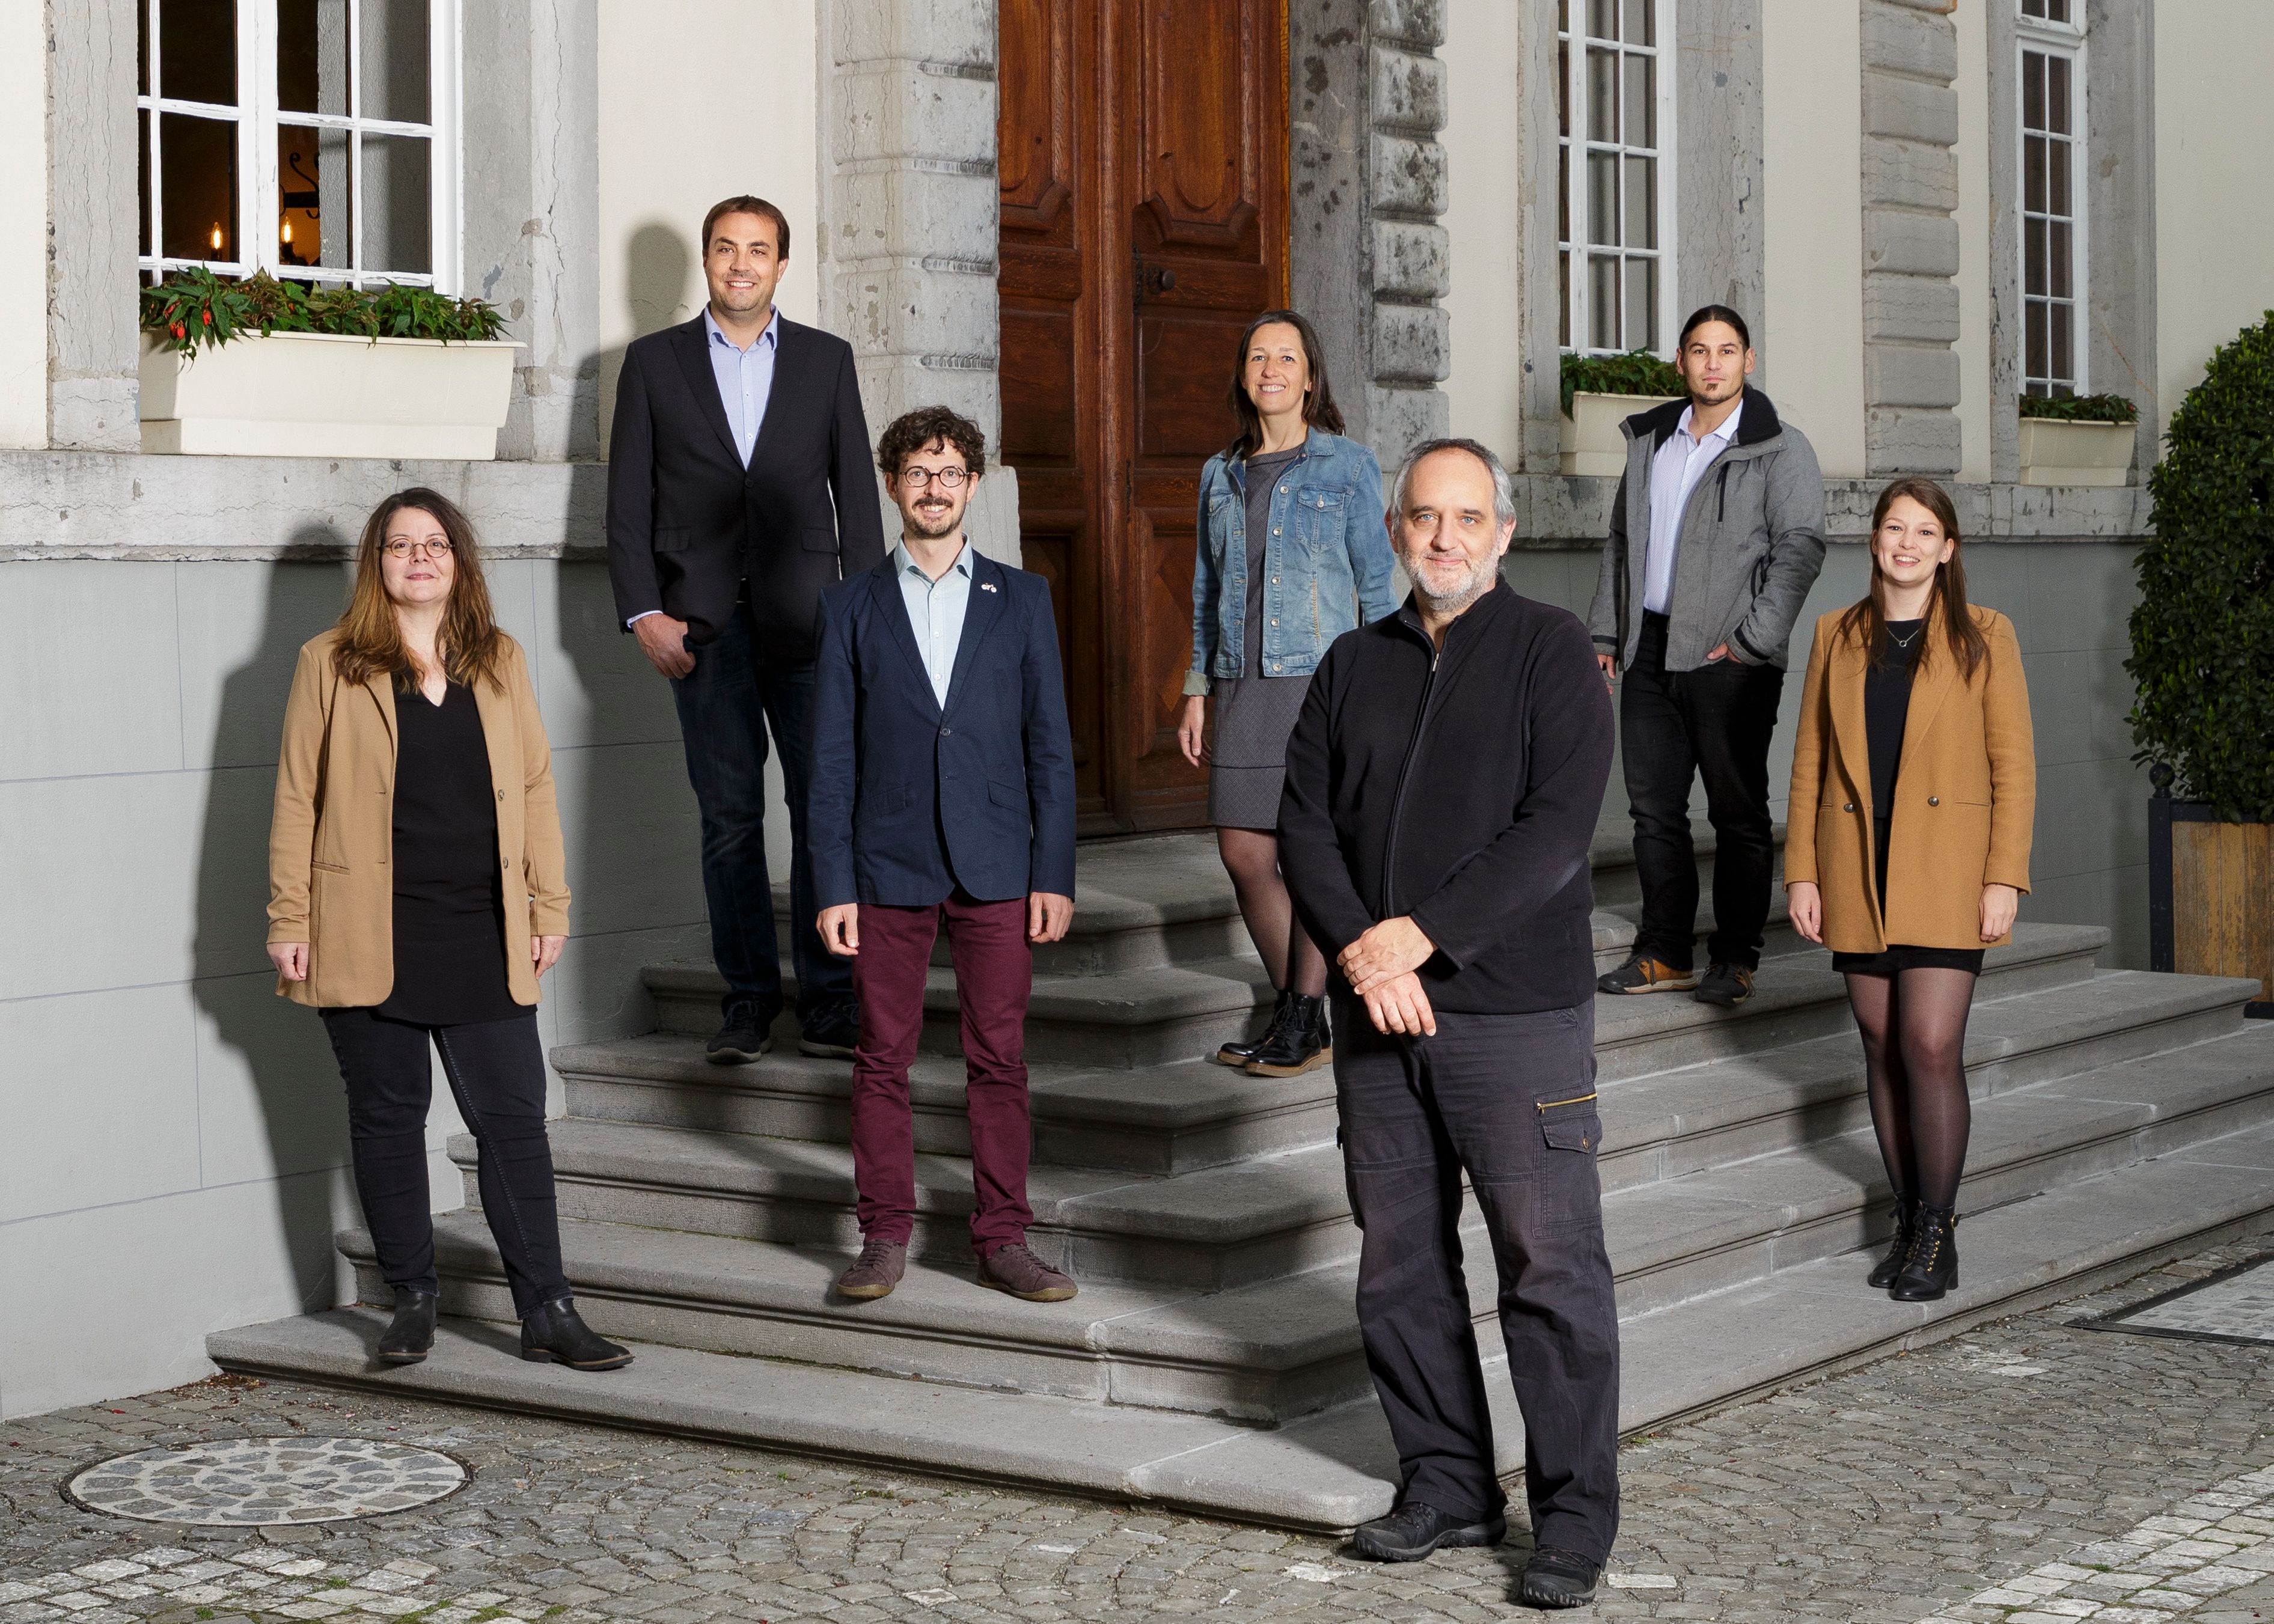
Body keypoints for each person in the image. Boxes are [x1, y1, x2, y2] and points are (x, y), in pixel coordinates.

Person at [1280, 439, 1619, 1610]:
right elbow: (1302, 825)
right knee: (1398, 1262)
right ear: (1394, 531)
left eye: (1468, 518)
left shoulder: (1551, 650)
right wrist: (1360, 954)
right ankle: (1445, 1483)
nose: (1444, 537)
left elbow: (1555, 829)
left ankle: (1570, 1519)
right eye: (1425, 516)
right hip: (1377, 1018)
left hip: (1514, 1014)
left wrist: (1418, 936)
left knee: (1547, 1267)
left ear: (1503, 533)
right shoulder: (1350, 663)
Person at [266, 489, 630, 1372]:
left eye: (435, 544)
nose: (419, 559)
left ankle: (548, 1308)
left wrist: (550, 905)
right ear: (377, 564)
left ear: (459, 560)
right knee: (388, 1118)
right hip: (365, 927)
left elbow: (535, 786)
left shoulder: (498, 658)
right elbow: (296, 796)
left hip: (482, 924)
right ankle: (412, 1301)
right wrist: (290, 916)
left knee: (512, 1121)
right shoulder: (329, 660)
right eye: (400, 546)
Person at [808, 407, 1081, 1305]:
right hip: (885, 864)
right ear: (893, 485)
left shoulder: (1023, 598)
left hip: (997, 862)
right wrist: (833, 882)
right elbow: (830, 758)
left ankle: (1003, 1238)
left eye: (950, 472)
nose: (934, 488)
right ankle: (883, 1235)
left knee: (998, 1058)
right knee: (880, 1058)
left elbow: (1049, 747)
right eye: (918, 472)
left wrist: (1052, 873)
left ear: (973, 485)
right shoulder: (849, 606)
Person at [606, 194, 887, 1066]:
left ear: (781, 265)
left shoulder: (825, 360)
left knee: (823, 811)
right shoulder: (652, 364)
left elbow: (857, 499)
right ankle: (747, 1002)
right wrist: (643, 611)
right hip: (702, 629)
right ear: (706, 260)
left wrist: (864, 622)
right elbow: (626, 501)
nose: (740, 264)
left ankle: (831, 1000)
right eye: (726, 248)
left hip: (813, 627)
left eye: (758, 250)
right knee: (729, 819)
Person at [1785, 477, 2035, 1304]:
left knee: (1928, 1044)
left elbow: (2014, 767)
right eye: (1895, 527)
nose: (1907, 543)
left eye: (1924, 531)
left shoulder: (1985, 635)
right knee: (1880, 1042)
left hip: (1946, 869)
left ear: (1946, 548)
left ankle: (1937, 1229)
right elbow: (1810, 761)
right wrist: (1802, 870)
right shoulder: (1836, 632)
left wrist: (2003, 875)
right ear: (1875, 539)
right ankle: (1904, 1218)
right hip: (1857, 862)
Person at [1176, 310, 1396, 1078]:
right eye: (1258, 357)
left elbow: (1377, 585)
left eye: (1287, 357)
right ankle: (1300, 1010)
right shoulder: (1220, 472)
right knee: (1244, 851)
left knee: (1307, 850)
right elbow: (1206, 590)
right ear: (1244, 376)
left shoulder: (1348, 466)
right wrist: (1197, 686)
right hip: (1241, 681)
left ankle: (1301, 1016)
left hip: (1321, 681)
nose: (1271, 369)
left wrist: (1387, 686)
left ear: (1310, 376)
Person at [1588, 305, 1826, 1009]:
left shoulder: (1781, 447)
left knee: (1736, 812)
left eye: (1727, 350)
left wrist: (1752, 642)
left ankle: (1735, 957)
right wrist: (1606, 633)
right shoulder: (1651, 440)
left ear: (1748, 360)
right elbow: (1621, 540)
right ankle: (1665, 950)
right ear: (1681, 361)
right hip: (1650, 646)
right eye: (1700, 350)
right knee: (1654, 811)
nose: (1713, 363)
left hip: (1732, 656)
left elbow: (1800, 550)